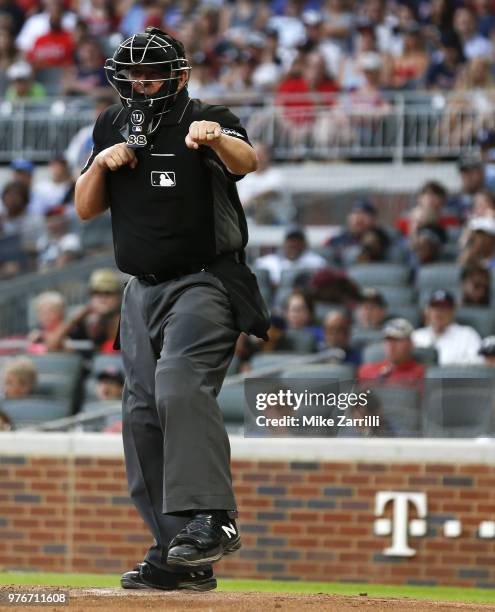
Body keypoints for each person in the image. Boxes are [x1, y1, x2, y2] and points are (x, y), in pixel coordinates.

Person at [74, 27, 269, 592]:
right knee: (140, 417)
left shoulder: (207, 115)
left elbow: (246, 161)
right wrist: (99, 167)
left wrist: (214, 138)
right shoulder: (111, 123)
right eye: (131, 74)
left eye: (151, 73)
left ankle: (214, 519)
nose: (140, 82)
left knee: (179, 382)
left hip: (204, 281)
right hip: (140, 290)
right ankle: (177, 555)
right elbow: (86, 209)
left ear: (179, 76)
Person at [412, 290, 482, 365]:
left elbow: (479, 362)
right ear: (427, 311)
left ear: (453, 311)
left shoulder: (467, 335)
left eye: (444, 308)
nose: (439, 312)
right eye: (435, 307)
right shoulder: (416, 336)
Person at [358, 318, 424, 385]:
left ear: (411, 344)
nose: (391, 345)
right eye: (388, 340)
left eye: (397, 340)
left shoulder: (421, 374)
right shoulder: (366, 371)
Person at [254, 225, 327, 286]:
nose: (294, 244)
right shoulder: (267, 262)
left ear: (305, 243)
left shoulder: (316, 263)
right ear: (284, 242)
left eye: (298, 240)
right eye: (291, 240)